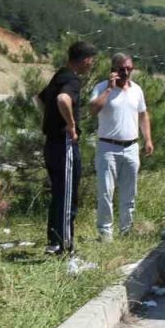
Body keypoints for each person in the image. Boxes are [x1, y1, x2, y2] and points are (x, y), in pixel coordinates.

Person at [40, 41, 98, 254]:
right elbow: (63, 99)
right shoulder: (72, 80)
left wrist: (49, 122)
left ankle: (54, 242)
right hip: (64, 145)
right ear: (85, 59)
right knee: (67, 196)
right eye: (91, 61)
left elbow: (40, 98)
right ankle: (65, 245)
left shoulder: (59, 75)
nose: (91, 65)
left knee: (58, 194)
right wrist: (71, 126)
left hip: (51, 144)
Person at [88, 52, 154, 241]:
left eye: (129, 68)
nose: (125, 72)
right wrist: (108, 89)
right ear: (113, 70)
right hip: (107, 148)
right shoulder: (101, 88)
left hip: (131, 147)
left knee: (129, 193)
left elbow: (143, 115)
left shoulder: (136, 90)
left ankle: (126, 230)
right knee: (105, 192)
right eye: (121, 69)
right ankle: (105, 233)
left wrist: (147, 139)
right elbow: (92, 110)